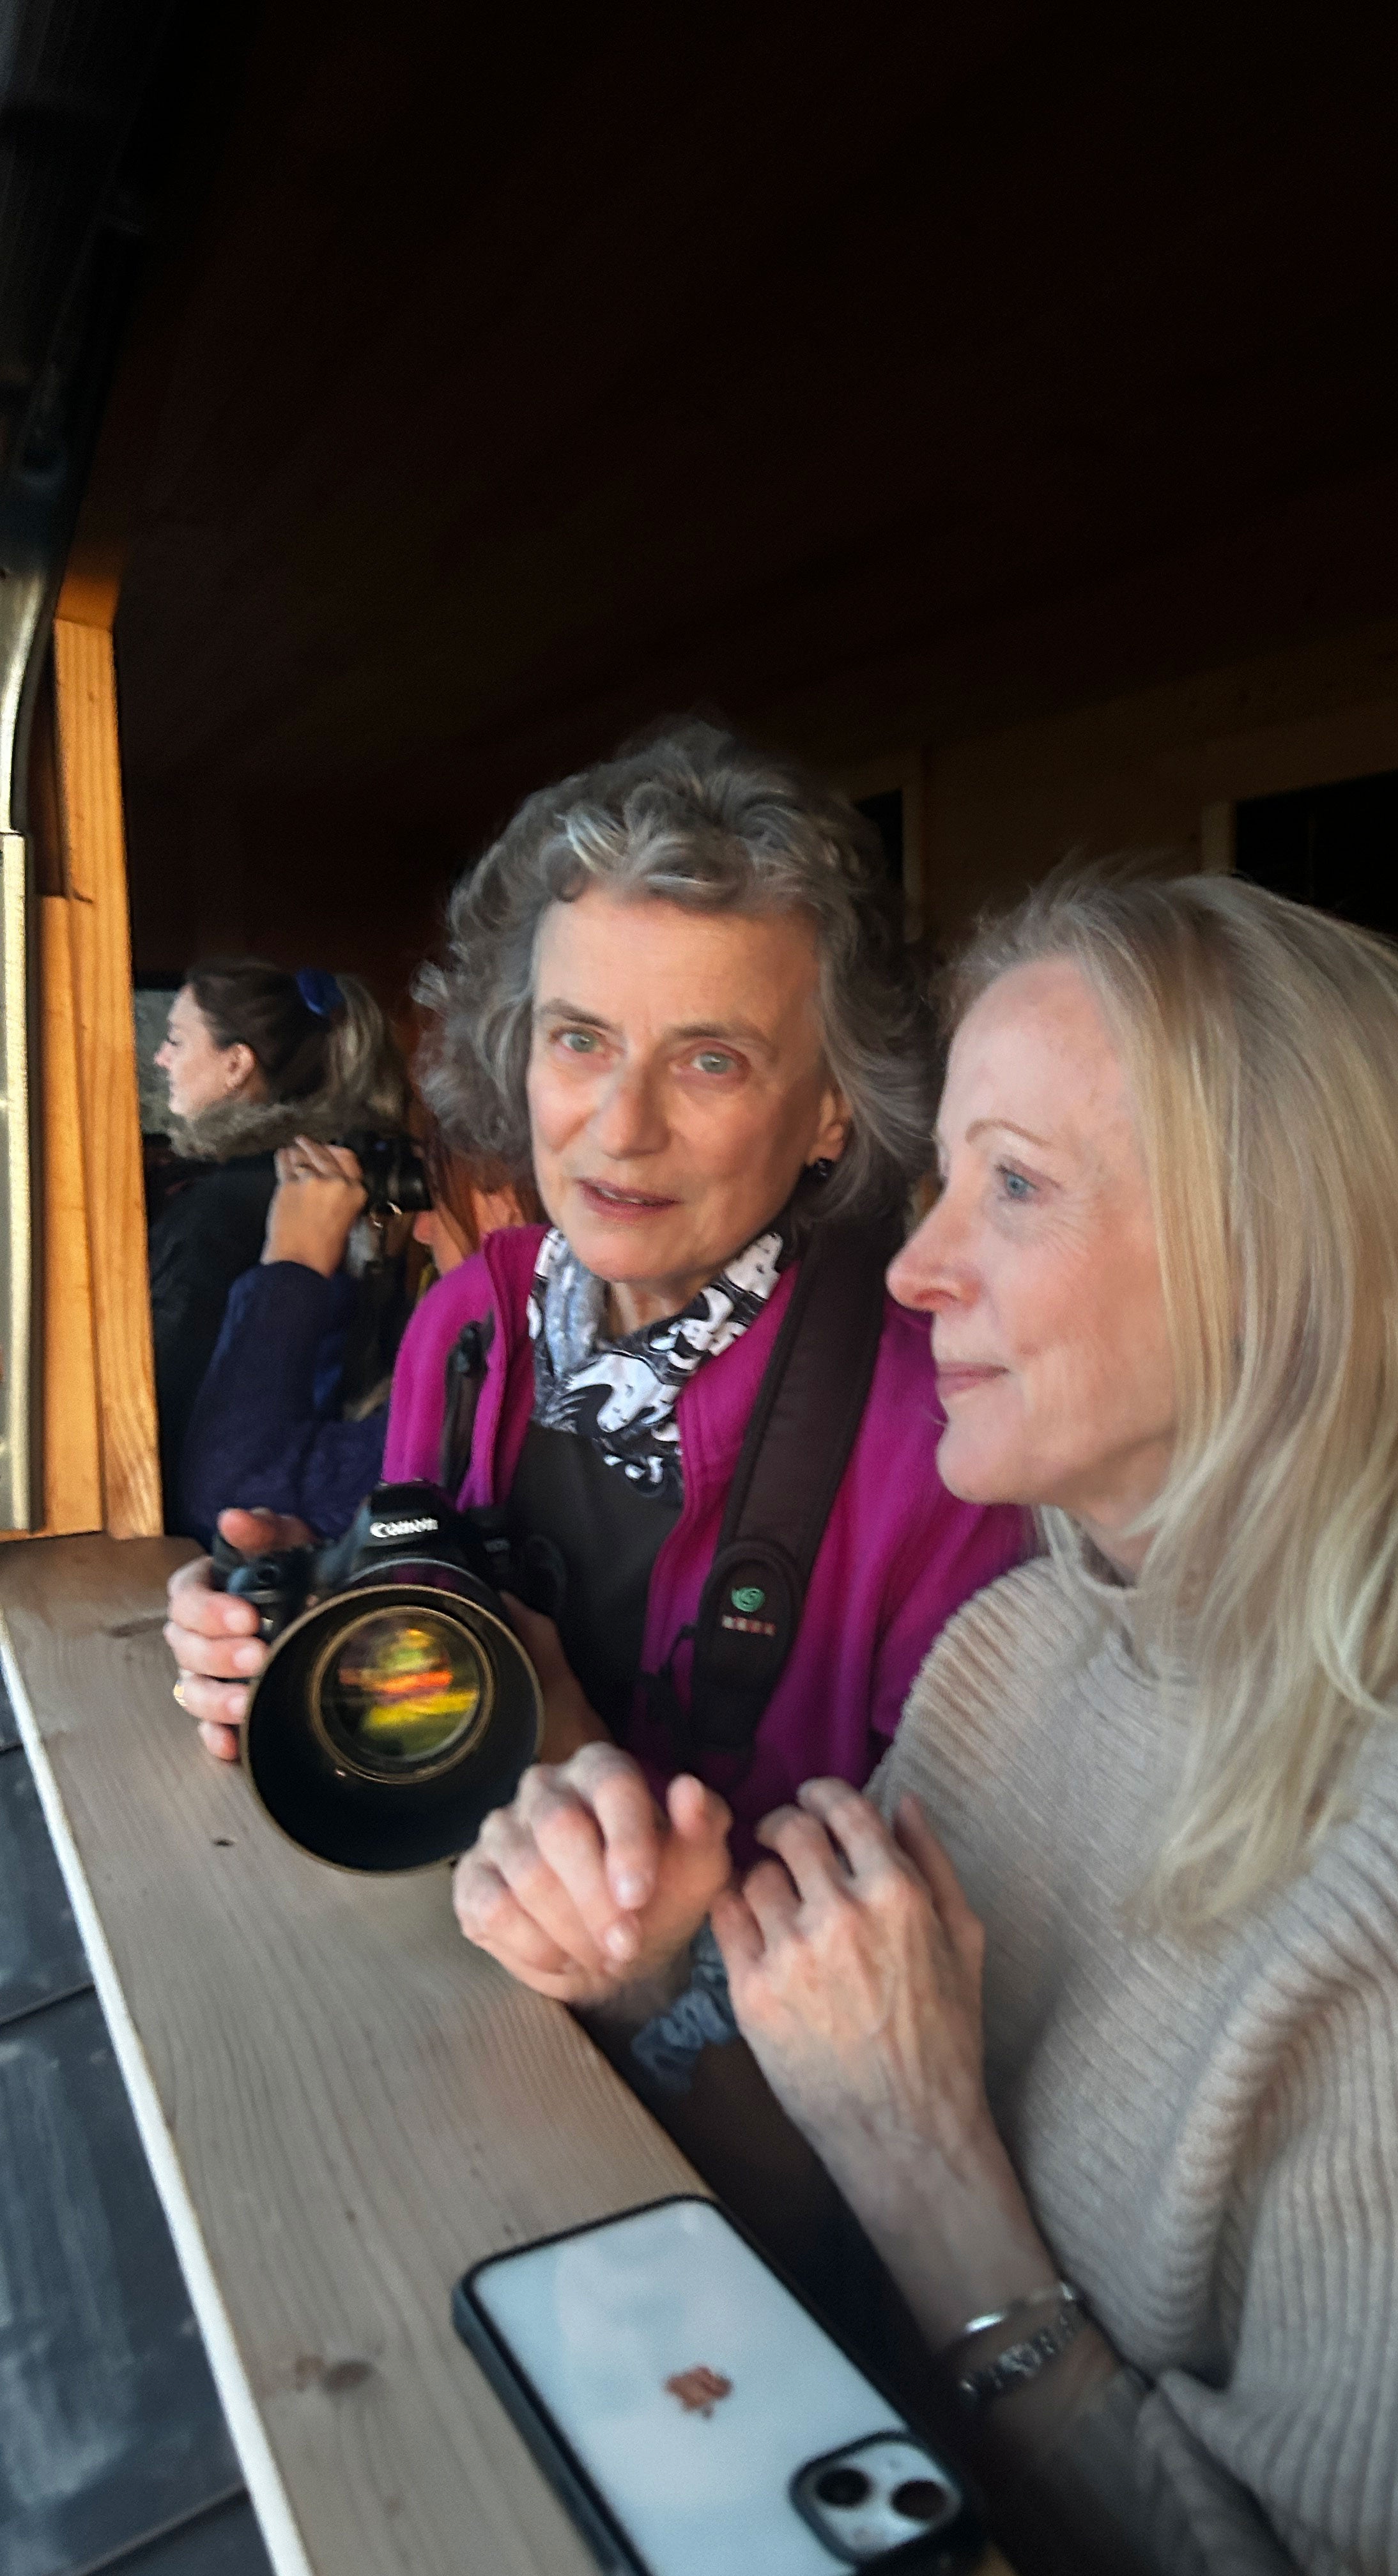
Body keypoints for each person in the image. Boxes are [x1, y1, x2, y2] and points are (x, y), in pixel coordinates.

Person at [473, 870, 1398, 2575]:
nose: (921, 1263)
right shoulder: (1022, 1648)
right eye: (946, 1176)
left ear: (1282, 1268)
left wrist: (933, 2171)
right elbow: (824, 2199)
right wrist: (654, 1975)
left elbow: (902, 2181)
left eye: (1013, 1184)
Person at [162, 723, 1031, 1887]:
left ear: (832, 1107)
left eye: (708, 1058)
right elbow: (414, 1648)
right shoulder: (469, 1316)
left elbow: (921, 1963)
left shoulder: (947, 1449)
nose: (621, 1128)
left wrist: (578, 1758)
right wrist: (308, 1633)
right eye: (579, 1039)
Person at [179, 1128, 538, 1544]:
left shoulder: (501, 1363)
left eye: (440, 1193)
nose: (422, 1229)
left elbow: (231, 1498)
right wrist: (357, 1261)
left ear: (507, 1200)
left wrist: (295, 1262)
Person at [148, 960, 408, 1532]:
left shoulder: (222, 1209)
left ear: (237, 1064)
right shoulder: (322, 1179)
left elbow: (160, 1401)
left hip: (220, 1521)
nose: (161, 1058)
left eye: (175, 1040)